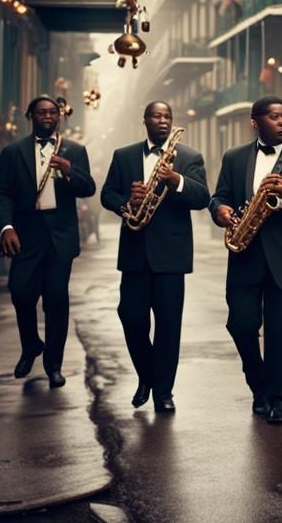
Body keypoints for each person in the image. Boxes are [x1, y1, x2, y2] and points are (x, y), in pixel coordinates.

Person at [210, 96, 282, 425]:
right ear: (255, 122)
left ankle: (277, 398)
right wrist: (219, 210)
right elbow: (219, 196)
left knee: (279, 331)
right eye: (274, 116)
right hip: (244, 253)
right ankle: (257, 383)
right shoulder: (233, 158)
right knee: (240, 324)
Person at [100, 102, 209, 413]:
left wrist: (176, 181)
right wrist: (126, 202)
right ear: (145, 120)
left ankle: (163, 392)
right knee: (131, 318)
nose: (163, 121)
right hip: (135, 253)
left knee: (168, 326)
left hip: (171, 257)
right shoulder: (123, 156)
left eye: (167, 117)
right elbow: (107, 194)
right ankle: (147, 375)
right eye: (157, 116)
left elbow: (202, 198)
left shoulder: (189, 157)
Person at [0, 96, 96, 387]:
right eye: (42, 112)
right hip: (26, 234)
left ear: (59, 117)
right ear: (31, 116)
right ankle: (30, 345)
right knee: (20, 292)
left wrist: (69, 171)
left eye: (53, 112)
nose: (48, 117)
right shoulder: (13, 152)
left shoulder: (75, 150)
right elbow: (2, 193)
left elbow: (88, 188)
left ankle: (54, 365)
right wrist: (6, 228)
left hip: (60, 237)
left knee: (55, 300)